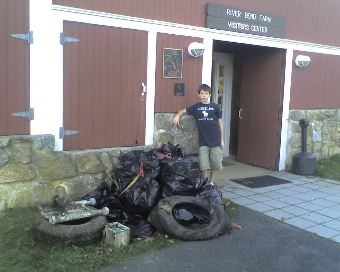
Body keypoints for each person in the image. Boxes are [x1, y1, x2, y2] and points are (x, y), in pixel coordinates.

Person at [173, 84, 225, 187]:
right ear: (199, 94)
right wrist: (177, 116)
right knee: (203, 164)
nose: (204, 96)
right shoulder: (196, 107)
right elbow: (182, 111)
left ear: (209, 94)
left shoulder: (215, 107)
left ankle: (211, 182)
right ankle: (204, 182)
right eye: (202, 94)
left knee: (215, 163)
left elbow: (221, 123)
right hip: (203, 140)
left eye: (206, 94)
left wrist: (222, 140)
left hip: (215, 139)